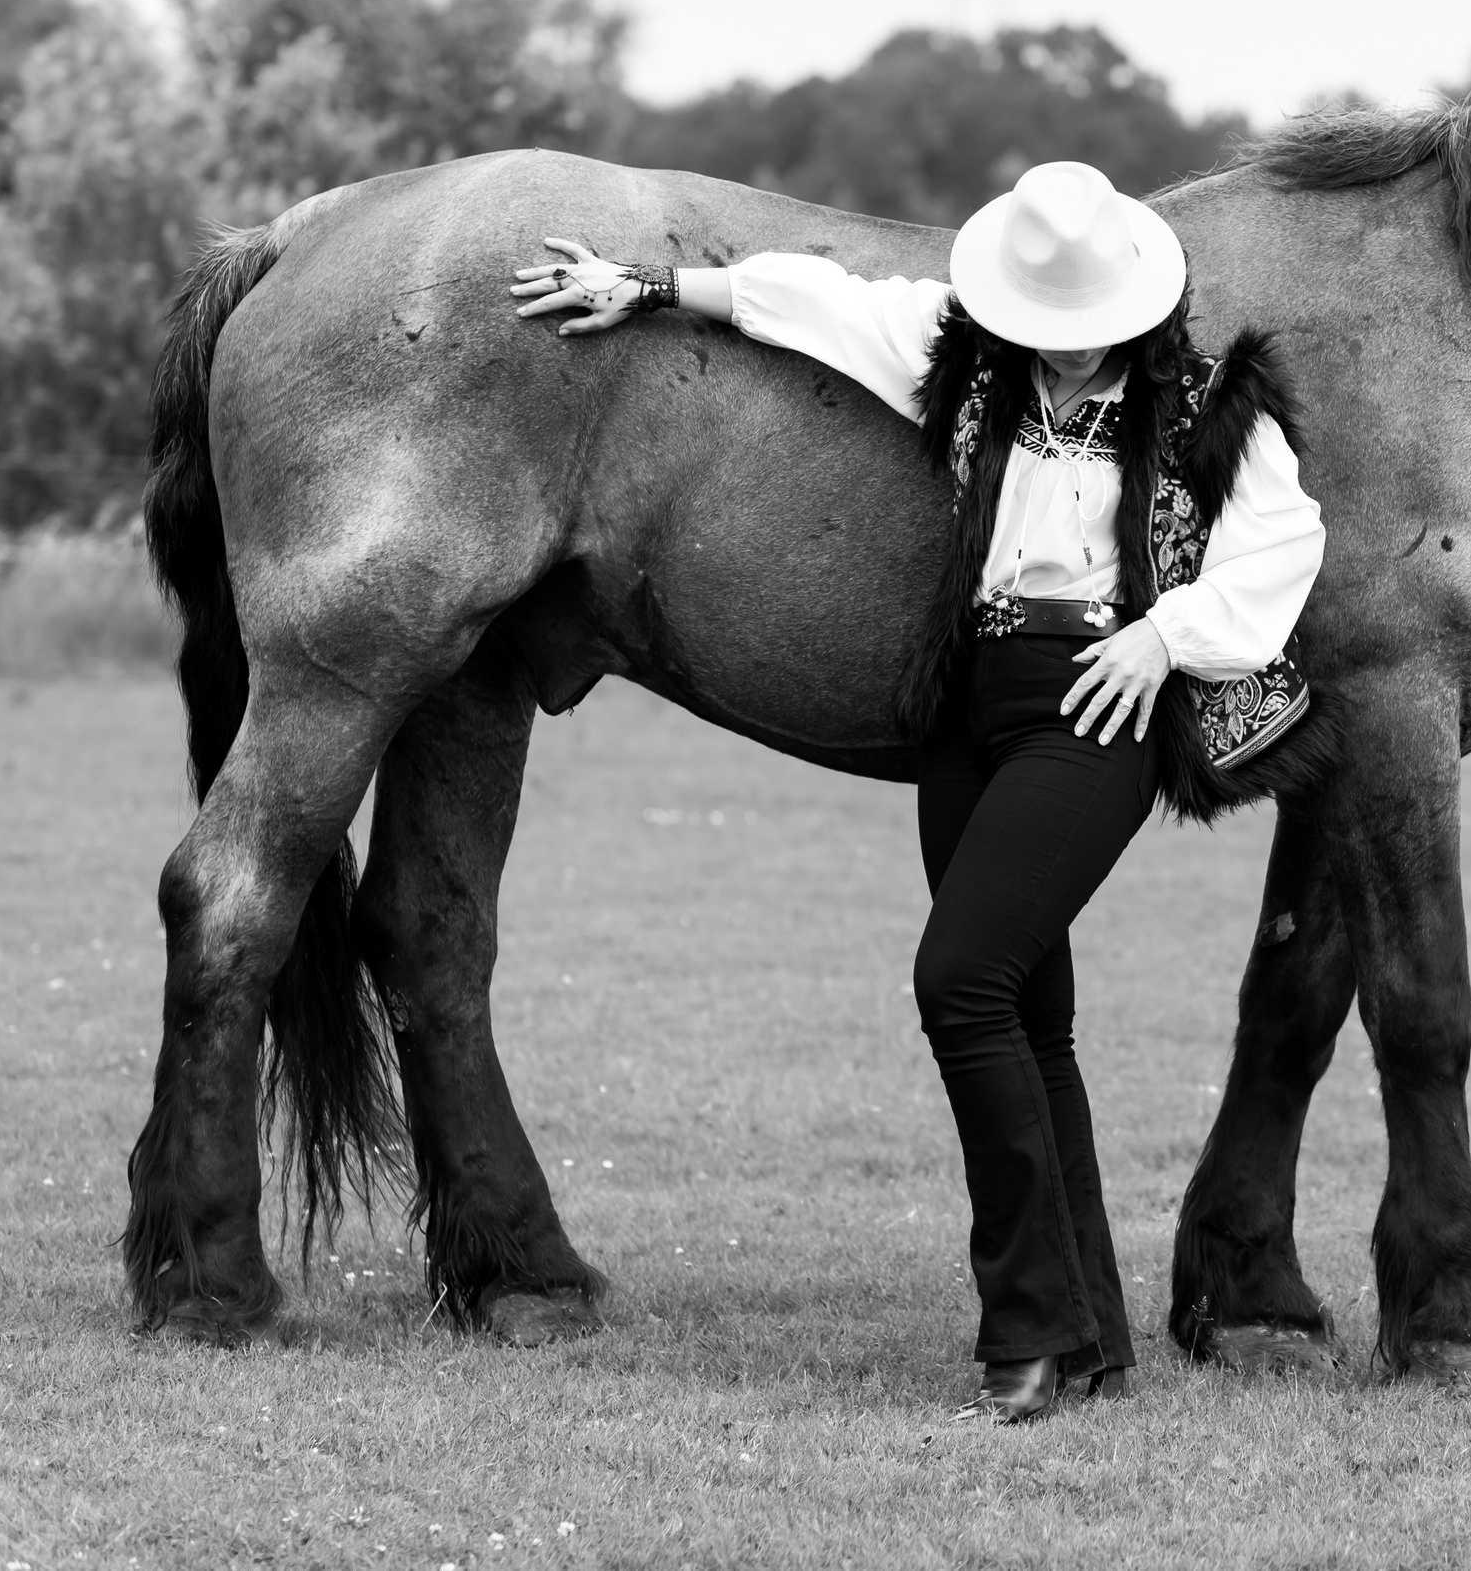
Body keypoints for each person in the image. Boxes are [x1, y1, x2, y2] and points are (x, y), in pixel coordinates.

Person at [509, 161, 1325, 1422]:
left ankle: (1026, 1331)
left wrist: (1164, 637)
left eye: (1080, 325)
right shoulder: (967, 365)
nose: (1057, 348)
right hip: (972, 698)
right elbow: (814, 301)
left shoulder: (1213, 407)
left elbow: (1284, 546)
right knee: (1031, 1016)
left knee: (962, 981)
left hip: (1095, 701)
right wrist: (654, 286)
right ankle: (1090, 1329)